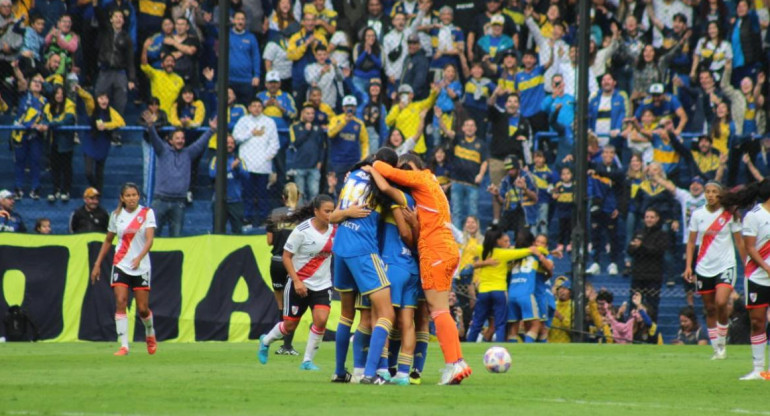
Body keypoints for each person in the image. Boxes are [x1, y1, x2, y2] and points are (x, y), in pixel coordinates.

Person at [373, 152, 472, 385]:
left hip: (435, 249)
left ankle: (453, 364)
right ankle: (458, 361)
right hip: (445, 248)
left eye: (405, 169)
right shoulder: (432, 184)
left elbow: (384, 169)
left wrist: (370, 167)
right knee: (442, 309)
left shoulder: (421, 179)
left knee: (438, 311)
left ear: (412, 167)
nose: (404, 175)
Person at [329, 148, 401, 385]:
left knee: (347, 314)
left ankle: (340, 372)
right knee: (387, 313)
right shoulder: (379, 183)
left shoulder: (353, 176)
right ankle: (371, 374)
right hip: (361, 250)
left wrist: (347, 212)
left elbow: (332, 217)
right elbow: (390, 191)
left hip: (340, 247)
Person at [258, 195, 337, 371]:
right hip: (298, 283)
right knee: (289, 325)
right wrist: (296, 281)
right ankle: (265, 341)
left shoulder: (335, 229)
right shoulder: (302, 230)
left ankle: (307, 361)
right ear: (316, 212)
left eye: (332, 211)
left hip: (322, 285)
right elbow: (286, 257)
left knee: (321, 320)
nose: (330, 215)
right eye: (326, 211)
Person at [90, 183, 157, 356]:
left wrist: (139, 257)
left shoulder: (147, 213)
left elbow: (150, 240)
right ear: (122, 198)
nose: (131, 198)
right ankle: (124, 346)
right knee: (121, 301)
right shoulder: (116, 215)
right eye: (128, 195)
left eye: (134, 195)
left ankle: (150, 332)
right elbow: (108, 240)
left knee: (143, 308)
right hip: (121, 264)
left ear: (138, 196)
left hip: (141, 266)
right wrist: (97, 264)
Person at [684, 180, 745, 359]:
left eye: (714, 191)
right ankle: (717, 349)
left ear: (720, 194)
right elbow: (690, 242)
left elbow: (739, 241)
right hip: (704, 267)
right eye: (707, 191)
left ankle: (722, 342)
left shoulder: (729, 214)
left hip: (726, 265)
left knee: (721, 302)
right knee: (710, 308)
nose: (710, 194)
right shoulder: (697, 215)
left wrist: (746, 265)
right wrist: (688, 266)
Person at [721, 179, 770, 380]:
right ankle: (758, 369)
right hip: (758, 276)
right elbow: (750, 247)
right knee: (757, 321)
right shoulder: (754, 217)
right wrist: (767, 267)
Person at [144, 112, 215, 237]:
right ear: (170, 140)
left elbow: (200, 143)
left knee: (176, 238)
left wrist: (211, 130)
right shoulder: (162, 150)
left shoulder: (188, 153)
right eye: (177, 138)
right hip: (160, 200)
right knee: (152, 237)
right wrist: (150, 126)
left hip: (179, 203)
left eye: (182, 138)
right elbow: (155, 139)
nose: (180, 141)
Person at [467, 228, 540, 343]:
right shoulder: (504, 254)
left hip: (483, 291)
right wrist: (544, 251)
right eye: (504, 240)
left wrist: (484, 263)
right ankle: (500, 347)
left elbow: (470, 263)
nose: (507, 243)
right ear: (498, 241)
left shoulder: (481, 250)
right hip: (499, 291)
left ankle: (468, 346)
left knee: (477, 322)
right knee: (500, 323)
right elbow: (527, 251)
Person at [265, 182, 301, 356]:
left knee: (281, 303)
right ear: (299, 197)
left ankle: (281, 340)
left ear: (283, 198)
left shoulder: (274, 213)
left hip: (277, 261)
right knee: (292, 303)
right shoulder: (303, 216)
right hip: (294, 263)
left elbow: (269, 241)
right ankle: (287, 345)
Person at [233, 98, 280, 227]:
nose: (256, 108)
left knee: (262, 194)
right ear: (249, 107)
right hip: (246, 164)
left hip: (263, 165)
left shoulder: (269, 122)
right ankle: (247, 219)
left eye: (259, 106)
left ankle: (264, 219)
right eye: (253, 106)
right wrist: (250, 133)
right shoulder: (243, 121)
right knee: (247, 193)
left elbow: (274, 143)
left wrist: (266, 157)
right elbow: (236, 137)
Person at [628, 208, 670, 319]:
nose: (649, 219)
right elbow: (630, 250)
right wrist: (636, 247)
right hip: (638, 276)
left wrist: (641, 246)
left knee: (652, 307)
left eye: (652, 217)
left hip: (653, 277)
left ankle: (652, 333)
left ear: (657, 219)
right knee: (633, 306)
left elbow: (658, 251)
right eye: (647, 217)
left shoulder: (662, 234)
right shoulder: (638, 233)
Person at [208, 134, 249, 234]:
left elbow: (246, 176)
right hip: (219, 202)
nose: (230, 145)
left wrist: (237, 167)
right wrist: (231, 168)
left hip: (235, 201)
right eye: (227, 143)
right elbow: (213, 174)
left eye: (232, 143)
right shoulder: (216, 159)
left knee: (238, 232)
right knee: (218, 232)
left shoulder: (239, 160)